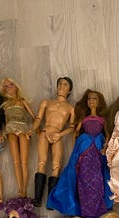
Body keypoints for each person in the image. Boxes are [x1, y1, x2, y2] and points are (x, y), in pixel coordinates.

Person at [46, 89, 113, 218]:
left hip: (98, 147)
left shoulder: (102, 119)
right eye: (89, 99)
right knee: (83, 177)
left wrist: (105, 146)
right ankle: (84, 207)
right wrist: (76, 144)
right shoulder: (84, 118)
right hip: (85, 146)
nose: (91, 101)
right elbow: (76, 132)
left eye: (94, 98)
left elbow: (107, 134)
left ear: (99, 102)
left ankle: (96, 207)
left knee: (98, 177)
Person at [29, 77, 75, 206]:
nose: (62, 86)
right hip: (45, 132)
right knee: (41, 162)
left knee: (56, 165)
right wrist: (33, 130)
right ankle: (37, 198)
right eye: (60, 84)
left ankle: (50, 200)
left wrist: (59, 134)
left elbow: (72, 127)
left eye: (65, 85)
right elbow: (38, 119)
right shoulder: (46, 102)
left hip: (58, 135)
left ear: (69, 90)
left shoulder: (70, 108)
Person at [0, 77, 36, 198]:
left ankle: (24, 189)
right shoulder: (5, 105)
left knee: (24, 162)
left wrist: (32, 130)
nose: (9, 87)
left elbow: (35, 117)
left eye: (11, 85)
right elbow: (6, 122)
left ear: (16, 86)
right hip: (10, 131)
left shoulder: (22, 101)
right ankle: (20, 189)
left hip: (23, 130)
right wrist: (3, 135)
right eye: (6, 86)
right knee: (16, 162)